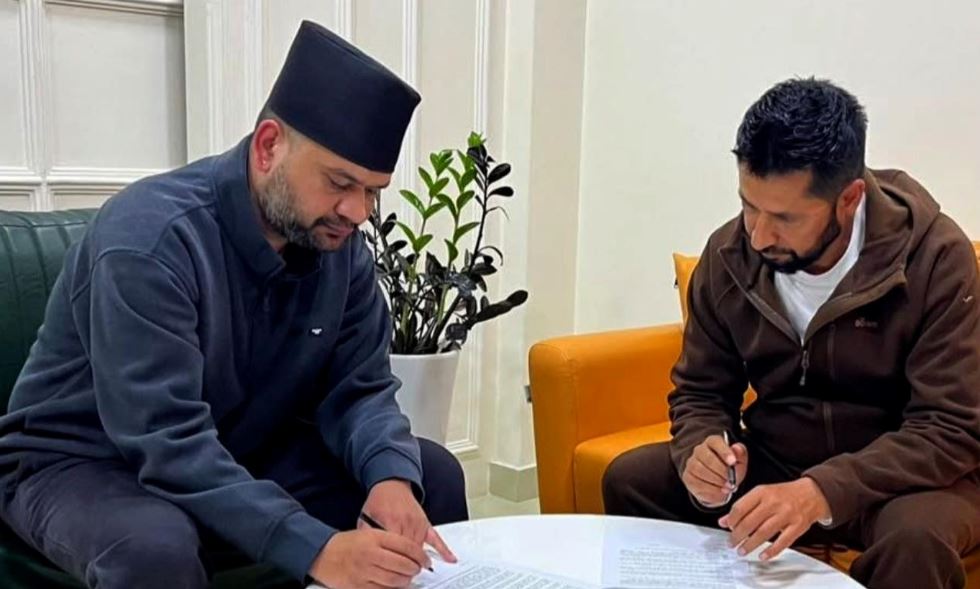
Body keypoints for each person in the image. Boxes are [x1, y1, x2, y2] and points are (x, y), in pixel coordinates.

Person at [0, 20, 467, 589]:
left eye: (372, 190)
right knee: (154, 550)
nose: (358, 212)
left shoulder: (338, 246)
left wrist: (391, 476)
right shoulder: (149, 239)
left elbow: (360, 388)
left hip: (236, 448)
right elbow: (166, 440)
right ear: (269, 146)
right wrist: (318, 549)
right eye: (340, 182)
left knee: (430, 476)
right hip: (85, 463)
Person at [602, 78, 980, 589]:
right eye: (748, 205)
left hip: (902, 480)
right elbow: (700, 392)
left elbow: (950, 427)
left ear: (849, 199)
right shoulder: (729, 255)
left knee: (916, 541)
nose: (758, 235)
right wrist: (704, 451)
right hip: (779, 460)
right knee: (631, 480)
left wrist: (821, 490)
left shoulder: (936, 258)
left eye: (784, 217)